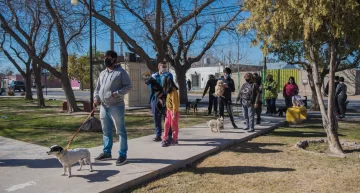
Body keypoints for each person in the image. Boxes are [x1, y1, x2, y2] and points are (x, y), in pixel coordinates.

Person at [93, 50, 132, 166]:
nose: (105, 59)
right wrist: (96, 98)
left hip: (116, 106)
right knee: (106, 131)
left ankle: (122, 155)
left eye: (107, 57)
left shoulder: (121, 72)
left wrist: (116, 93)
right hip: (104, 107)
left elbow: (129, 86)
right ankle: (107, 152)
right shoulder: (102, 73)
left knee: (120, 131)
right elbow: (97, 88)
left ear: (114, 59)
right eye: (104, 57)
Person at [150, 62, 173, 142]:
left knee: (167, 117)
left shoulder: (168, 75)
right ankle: (158, 135)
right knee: (156, 117)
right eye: (162, 66)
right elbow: (151, 86)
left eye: (165, 66)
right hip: (155, 98)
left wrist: (164, 74)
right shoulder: (154, 76)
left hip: (165, 98)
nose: (164, 68)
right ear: (158, 67)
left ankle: (169, 134)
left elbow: (169, 85)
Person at [161, 77, 180, 147]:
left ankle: (175, 139)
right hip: (168, 110)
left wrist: (174, 114)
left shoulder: (173, 91)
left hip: (173, 111)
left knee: (174, 126)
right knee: (166, 125)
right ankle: (164, 139)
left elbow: (175, 103)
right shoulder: (169, 91)